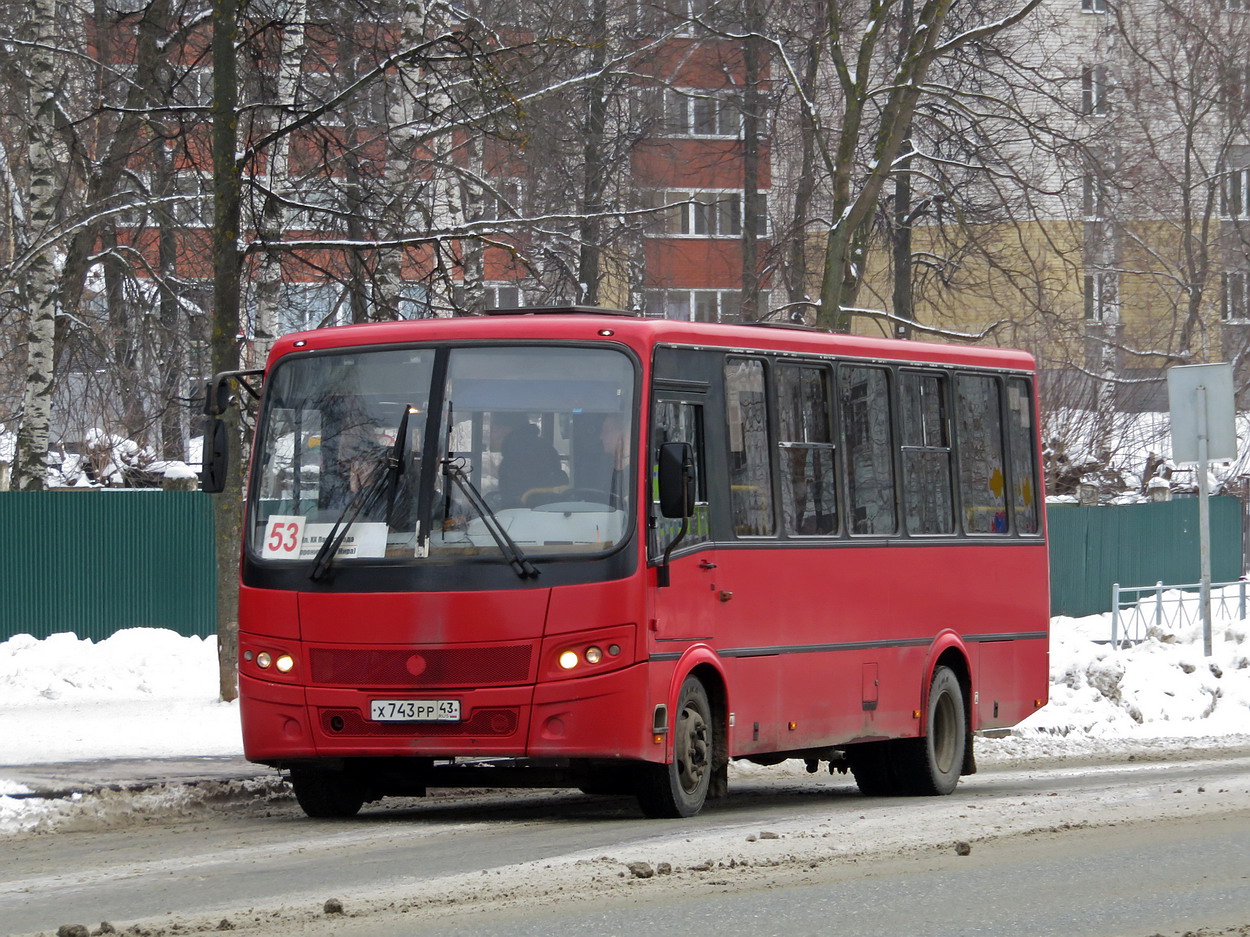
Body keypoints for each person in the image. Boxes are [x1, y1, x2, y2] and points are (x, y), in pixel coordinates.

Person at [493, 412, 567, 506]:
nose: (494, 433)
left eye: (495, 428)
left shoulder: (513, 452)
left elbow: (511, 494)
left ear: (503, 428)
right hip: (552, 511)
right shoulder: (546, 447)